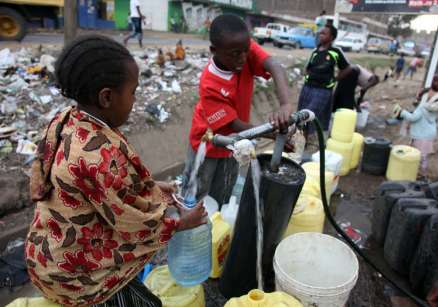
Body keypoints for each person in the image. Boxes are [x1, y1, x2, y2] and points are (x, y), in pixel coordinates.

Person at [25, 35, 206, 306]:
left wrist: (152, 189)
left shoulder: (66, 120)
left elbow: (99, 190)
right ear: (107, 97)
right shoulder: (98, 155)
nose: (135, 100)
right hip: (73, 276)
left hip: (46, 252)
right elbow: (132, 225)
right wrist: (181, 224)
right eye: (133, 91)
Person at [181, 14, 292, 207]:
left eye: (245, 51)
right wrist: (273, 134)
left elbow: (275, 66)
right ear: (214, 50)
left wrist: (285, 105)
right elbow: (233, 124)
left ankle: (219, 228)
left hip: (235, 142)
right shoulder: (210, 83)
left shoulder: (241, 47)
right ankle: (189, 231)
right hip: (207, 143)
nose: (242, 58)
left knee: (224, 194)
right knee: (196, 195)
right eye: (235, 54)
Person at [297, 24, 351, 161]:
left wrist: (334, 79)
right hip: (307, 88)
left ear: (331, 37)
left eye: (324, 33)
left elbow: (347, 68)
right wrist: (307, 76)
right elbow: (308, 68)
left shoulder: (335, 52)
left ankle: (310, 146)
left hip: (323, 90)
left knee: (309, 115)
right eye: (320, 33)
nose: (320, 35)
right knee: (301, 115)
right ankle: (301, 143)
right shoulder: (315, 51)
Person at [392, 75, 438, 176]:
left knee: (419, 155)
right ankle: (419, 171)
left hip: (421, 134)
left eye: (418, 97)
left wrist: (401, 112)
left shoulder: (422, 108)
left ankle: (420, 172)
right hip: (427, 133)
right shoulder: (433, 106)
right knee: (422, 155)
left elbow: (413, 118)